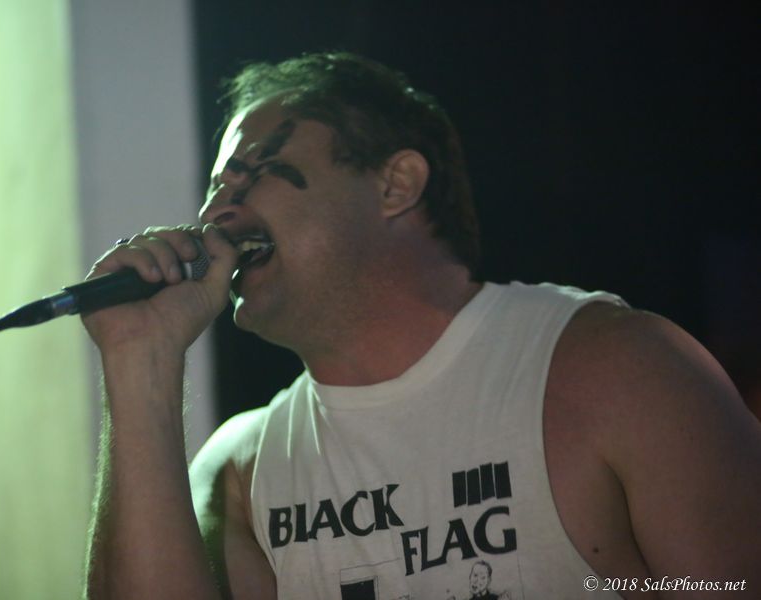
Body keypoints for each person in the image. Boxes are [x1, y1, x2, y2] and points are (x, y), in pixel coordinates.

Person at [81, 52, 761, 599]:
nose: (215, 213)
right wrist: (141, 362)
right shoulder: (242, 468)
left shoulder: (617, 366)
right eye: (214, 187)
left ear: (395, 185)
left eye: (248, 175)